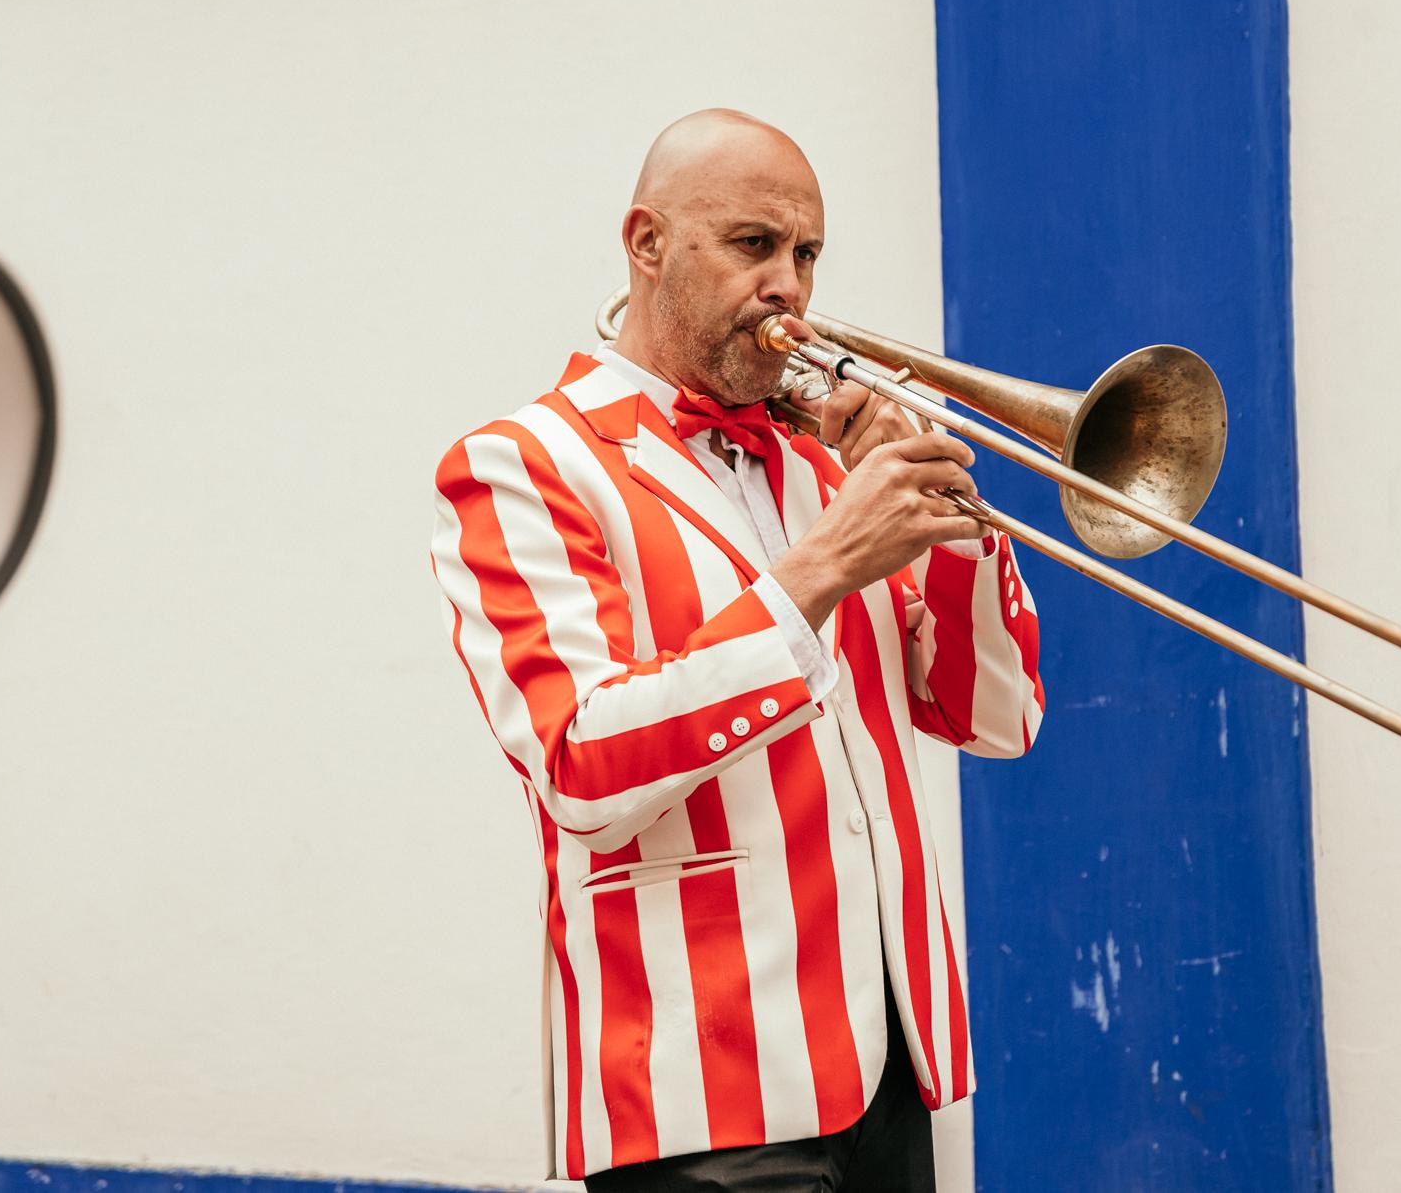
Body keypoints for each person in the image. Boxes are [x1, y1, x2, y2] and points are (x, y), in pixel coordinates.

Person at [430, 110, 1044, 1190]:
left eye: (805, 254)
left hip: (891, 1065)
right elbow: (581, 766)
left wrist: (953, 522)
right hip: (694, 1083)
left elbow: (995, 719)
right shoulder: (523, 464)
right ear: (647, 241)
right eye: (753, 244)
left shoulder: (824, 468)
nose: (788, 287)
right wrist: (821, 569)